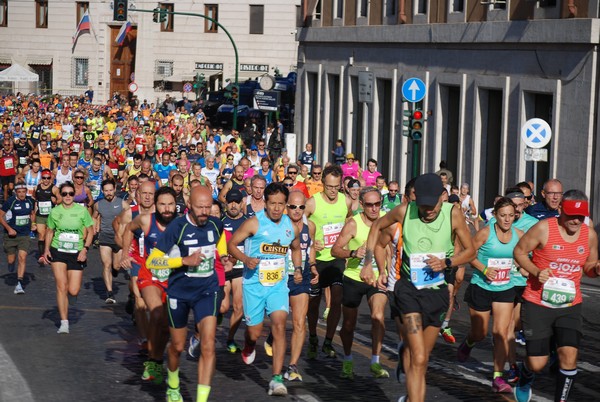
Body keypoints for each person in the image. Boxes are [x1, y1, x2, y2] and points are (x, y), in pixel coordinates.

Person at [364, 173, 476, 402]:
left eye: (432, 205)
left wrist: (447, 263)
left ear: (442, 197)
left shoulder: (453, 214)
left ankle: (410, 393)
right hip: (409, 292)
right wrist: (369, 264)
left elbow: (470, 250)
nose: (428, 210)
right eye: (423, 205)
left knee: (422, 359)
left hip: (437, 293)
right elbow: (376, 227)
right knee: (417, 354)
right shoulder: (405, 211)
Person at [513, 190, 599, 402]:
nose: (576, 220)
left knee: (569, 357)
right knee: (537, 363)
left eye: (581, 216)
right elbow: (519, 252)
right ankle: (526, 374)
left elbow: (588, 267)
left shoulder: (589, 234)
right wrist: (536, 271)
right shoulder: (544, 228)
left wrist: (595, 269)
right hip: (537, 303)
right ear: (560, 209)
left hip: (570, 304)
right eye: (571, 215)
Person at [145, 186, 228, 402]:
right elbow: (152, 261)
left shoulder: (215, 223)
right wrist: (183, 261)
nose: (204, 212)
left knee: (208, 344)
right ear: (189, 205)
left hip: (207, 290)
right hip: (179, 292)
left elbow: (220, 239)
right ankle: (173, 385)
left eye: (208, 207)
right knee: (178, 346)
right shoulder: (177, 227)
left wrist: (225, 256)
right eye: (200, 207)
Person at [227, 182, 303, 396]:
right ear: (265, 204)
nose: (277, 208)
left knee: (279, 325)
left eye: (281, 204)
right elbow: (232, 244)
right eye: (273, 204)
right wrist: (245, 258)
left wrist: (297, 268)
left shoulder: (291, 226)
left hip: (278, 285)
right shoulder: (254, 223)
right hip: (254, 285)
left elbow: (296, 248)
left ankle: (276, 379)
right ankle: (249, 345)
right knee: (254, 332)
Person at [456, 197, 524, 394]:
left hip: (505, 287)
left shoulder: (519, 235)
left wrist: (522, 266)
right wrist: (484, 269)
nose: (507, 220)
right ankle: (469, 342)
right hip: (482, 287)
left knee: (501, 332)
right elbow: (469, 254)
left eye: (511, 215)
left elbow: (525, 255)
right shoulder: (485, 233)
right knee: (480, 332)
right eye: (503, 215)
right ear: (495, 215)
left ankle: (498, 377)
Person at [332, 187, 390, 379]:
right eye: (369, 205)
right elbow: (335, 250)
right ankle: (348, 359)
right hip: (354, 277)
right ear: (362, 205)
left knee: (378, 316)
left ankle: (375, 361)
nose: (374, 209)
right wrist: (352, 253)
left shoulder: (387, 221)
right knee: (348, 325)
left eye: (377, 204)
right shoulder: (353, 224)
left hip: (377, 277)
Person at [122, 186, 178, 385]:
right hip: (150, 275)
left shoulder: (182, 224)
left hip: (173, 279)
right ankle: (153, 359)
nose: (167, 208)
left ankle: (155, 358)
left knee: (165, 327)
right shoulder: (147, 220)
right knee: (156, 313)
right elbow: (128, 229)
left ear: (176, 204)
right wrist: (124, 254)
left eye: (170, 203)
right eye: (162, 204)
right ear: (156, 204)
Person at [304, 164, 352, 359]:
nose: (332, 190)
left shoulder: (346, 201)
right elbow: (298, 221)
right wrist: (310, 241)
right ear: (322, 183)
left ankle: (329, 341)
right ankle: (314, 336)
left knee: (337, 299)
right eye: (329, 186)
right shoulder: (312, 203)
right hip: (317, 260)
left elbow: (350, 222)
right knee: (313, 304)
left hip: (336, 259)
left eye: (336, 186)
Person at [42, 182, 94, 334]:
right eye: (64, 194)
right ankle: (64, 322)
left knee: (73, 290)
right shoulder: (55, 211)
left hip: (77, 252)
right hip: (58, 250)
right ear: (60, 195)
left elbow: (90, 231)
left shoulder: (82, 211)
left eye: (71, 193)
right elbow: (50, 231)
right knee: (61, 286)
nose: (67, 197)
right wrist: (46, 250)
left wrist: (85, 249)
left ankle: (71, 296)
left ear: (74, 195)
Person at [220, 189, 247, 354]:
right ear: (226, 203)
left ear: (242, 203)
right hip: (223, 268)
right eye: (230, 202)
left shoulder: (247, 222)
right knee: (224, 307)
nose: (233, 205)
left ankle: (230, 338)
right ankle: (219, 314)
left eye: (236, 202)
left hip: (239, 269)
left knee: (239, 307)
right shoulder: (220, 221)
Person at [93, 179, 124, 304]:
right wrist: (95, 228)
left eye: (111, 190)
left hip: (118, 237)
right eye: (106, 191)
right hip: (105, 236)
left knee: (116, 266)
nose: (109, 193)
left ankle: (115, 269)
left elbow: (129, 217)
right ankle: (110, 293)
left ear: (115, 189)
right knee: (106, 264)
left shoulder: (122, 204)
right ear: (102, 191)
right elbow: (94, 217)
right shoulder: (98, 205)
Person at [0, 182, 35, 294]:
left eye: (23, 191)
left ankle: (19, 284)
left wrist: (33, 223)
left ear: (26, 191)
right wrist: (9, 229)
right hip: (10, 235)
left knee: (22, 257)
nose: (21, 194)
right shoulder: (10, 201)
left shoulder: (30, 201)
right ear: (15, 192)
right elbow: (0, 216)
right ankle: (11, 264)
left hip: (24, 234)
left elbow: (32, 212)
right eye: (19, 192)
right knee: (11, 259)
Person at [34, 169, 61, 264]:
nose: (46, 180)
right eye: (44, 178)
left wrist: (55, 201)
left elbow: (60, 200)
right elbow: (35, 200)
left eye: (48, 178)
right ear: (41, 178)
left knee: (49, 235)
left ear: (51, 178)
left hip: (51, 215)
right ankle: (42, 256)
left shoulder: (54, 188)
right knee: (41, 234)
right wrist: (33, 220)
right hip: (40, 215)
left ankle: (49, 252)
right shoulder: (36, 188)